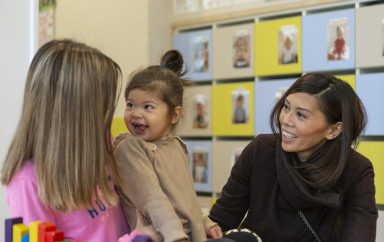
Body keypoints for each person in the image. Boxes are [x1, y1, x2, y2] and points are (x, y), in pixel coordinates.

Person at [0, 39, 158, 242]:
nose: (106, 112)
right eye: (100, 102)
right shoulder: (28, 183)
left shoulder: (101, 138)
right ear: (77, 111)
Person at [209, 73, 378, 241]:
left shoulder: (356, 169)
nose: (286, 121)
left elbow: (360, 234)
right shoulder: (260, 150)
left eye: (301, 115)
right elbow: (220, 221)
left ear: (333, 130)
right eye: (286, 107)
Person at [114, 49, 222, 242]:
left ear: (174, 115)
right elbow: (153, 200)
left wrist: (205, 222)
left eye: (148, 107)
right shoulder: (130, 148)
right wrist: (175, 235)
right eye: (130, 104)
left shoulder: (177, 146)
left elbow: (185, 198)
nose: (136, 113)